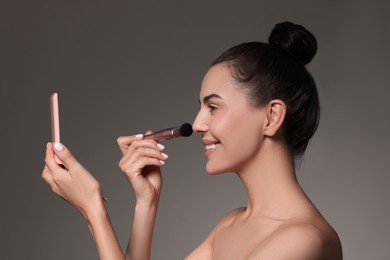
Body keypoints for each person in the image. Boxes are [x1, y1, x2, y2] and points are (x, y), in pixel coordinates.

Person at [42, 21, 343, 259]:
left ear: (272, 116)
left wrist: (94, 210)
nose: (198, 124)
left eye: (213, 107)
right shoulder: (232, 225)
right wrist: (147, 202)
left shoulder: (304, 241)